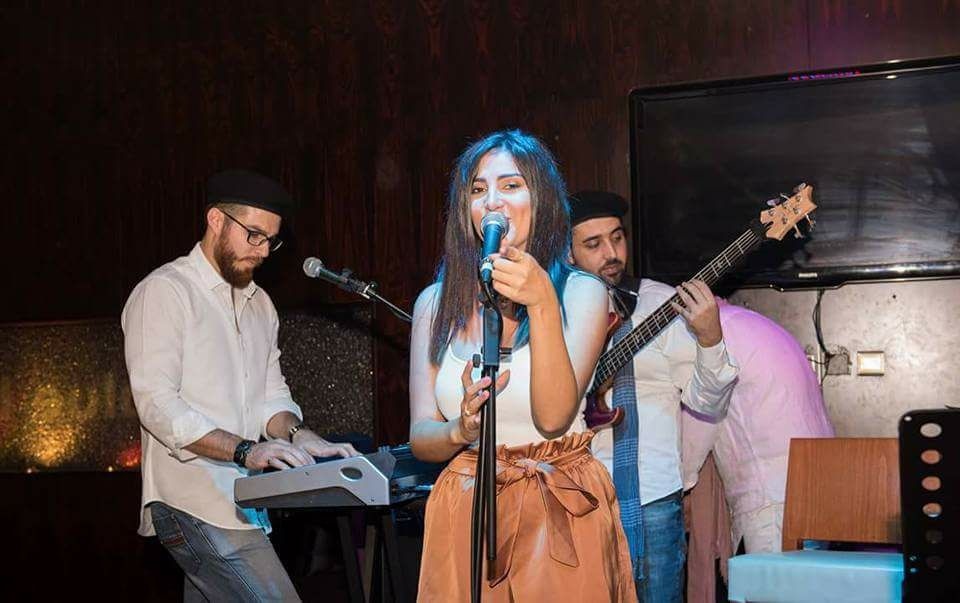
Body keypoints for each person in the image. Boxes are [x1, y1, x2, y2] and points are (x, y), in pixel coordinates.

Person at [409, 131, 637, 601]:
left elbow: (553, 418)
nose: (492, 200)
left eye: (511, 185)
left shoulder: (583, 292)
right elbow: (420, 437)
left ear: (542, 200)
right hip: (470, 502)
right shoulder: (434, 304)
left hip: (559, 502)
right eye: (478, 189)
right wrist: (460, 429)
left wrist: (542, 302)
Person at [121, 169, 359, 602]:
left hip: (243, 503)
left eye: (271, 241)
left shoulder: (260, 304)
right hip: (192, 501)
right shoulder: (165, 292)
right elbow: (156, 404)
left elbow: (271, 397)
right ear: (216, 220)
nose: (263, 251)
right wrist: (246, 450)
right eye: (254, 235)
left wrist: (300, 435)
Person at [567, 190, 739, 602]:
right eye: (593, 244)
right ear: (567, 254)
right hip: (575, 499)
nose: (611, 253)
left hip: (653, 500)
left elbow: (708, 404)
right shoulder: (553, 313)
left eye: (617, 238)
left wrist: (710, 339)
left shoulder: (661, 302)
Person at [681, 299, 835, 554]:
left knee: (774, 580)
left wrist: (676, 485)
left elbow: (700, 419)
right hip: (820, 490)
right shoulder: (759, 323)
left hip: (774, 500)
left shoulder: (713, 336)